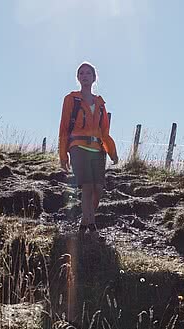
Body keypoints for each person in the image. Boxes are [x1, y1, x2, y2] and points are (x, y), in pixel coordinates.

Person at [58, 62, 118, 239]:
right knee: (87, 187)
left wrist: (112, 152)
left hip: (98, 150)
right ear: (78, 78)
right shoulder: (71, 99)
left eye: (88, 73)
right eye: (81, 73)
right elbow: (63, 129)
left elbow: (104, 132)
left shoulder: (100, 103)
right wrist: (63, 155)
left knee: (98, 189)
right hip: (78, 147)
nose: (85, 76)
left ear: (94, 77)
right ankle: (92, 227)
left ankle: (84, 223)